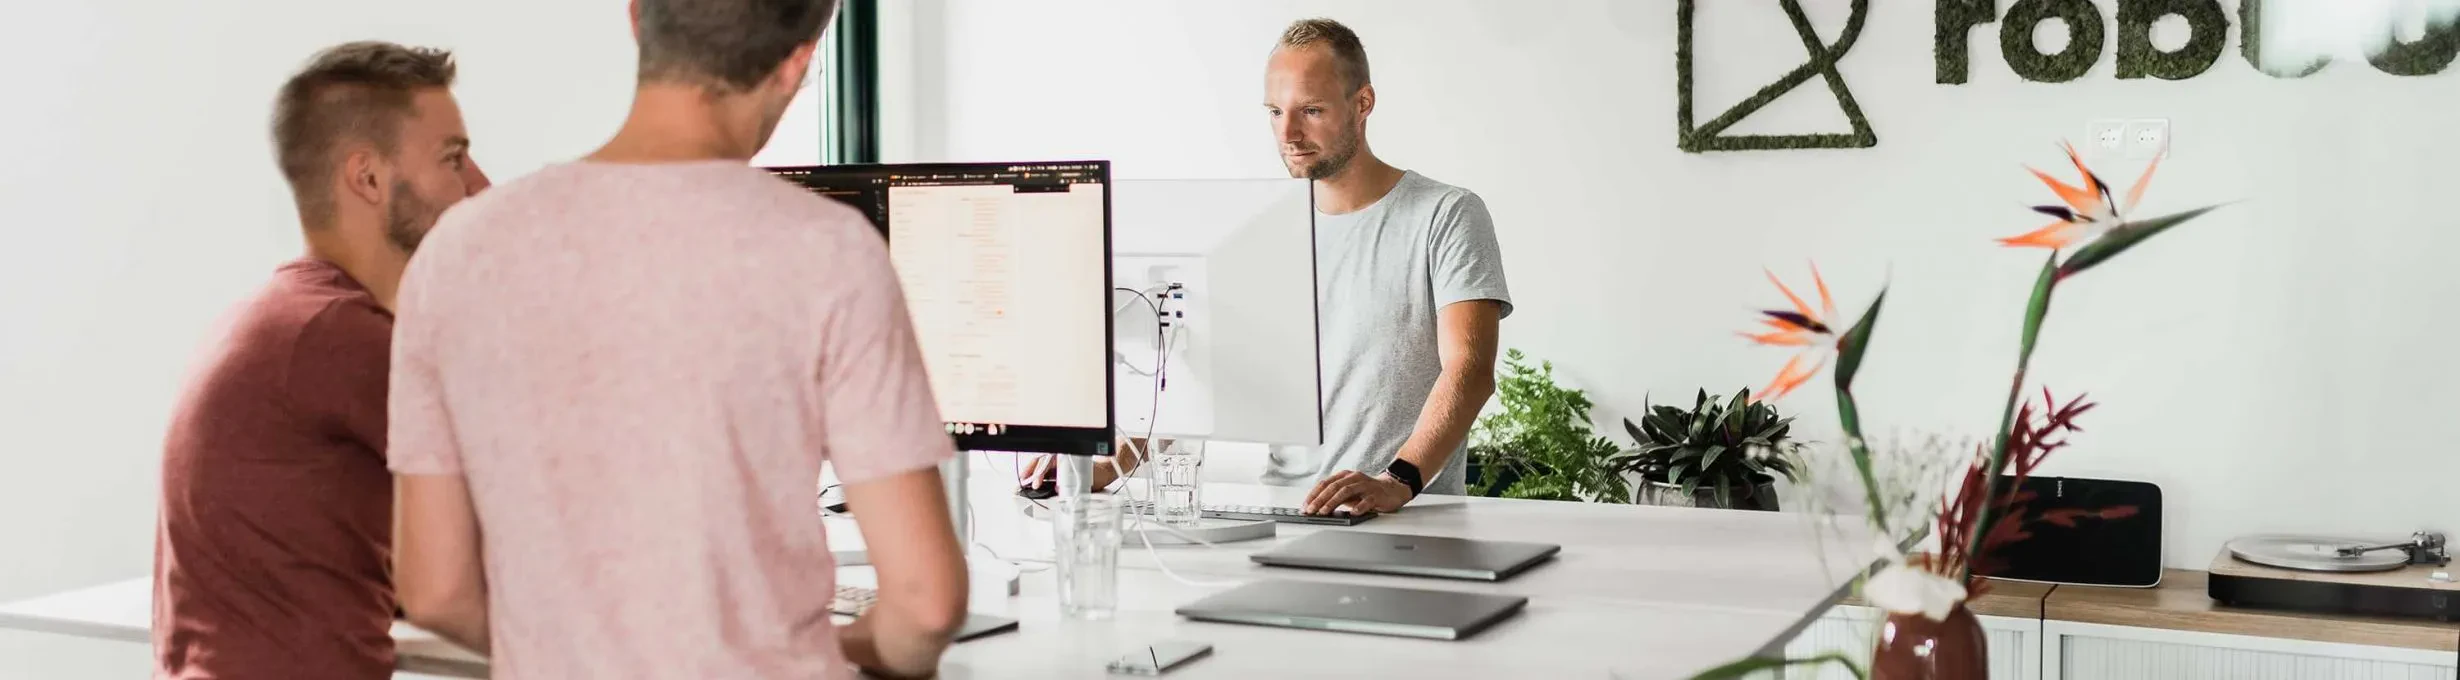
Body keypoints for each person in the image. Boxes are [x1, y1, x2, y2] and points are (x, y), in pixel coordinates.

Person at [385, 1, 969, 678]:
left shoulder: (459, 250)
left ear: (637, 19)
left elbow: (435, 589)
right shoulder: (827, 249)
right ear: (795, 66)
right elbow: (926, 605)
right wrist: (832, 648)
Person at [1025, 17, 1510, 516]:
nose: (1288, 133)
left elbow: (1470, 370)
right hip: (1287, 512)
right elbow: (1202, 380)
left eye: (1311, 110)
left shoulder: (1446, 214)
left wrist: (1398, 481)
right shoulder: (1261, 231)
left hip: (1406, 515)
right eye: (1275, 112)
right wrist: (1109, 463)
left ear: (1363, 103)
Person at [153, 41, 490, 680]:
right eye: (453, 158)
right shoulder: (340, 339)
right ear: (368, 179)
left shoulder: (281, 319)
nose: (480, 186)